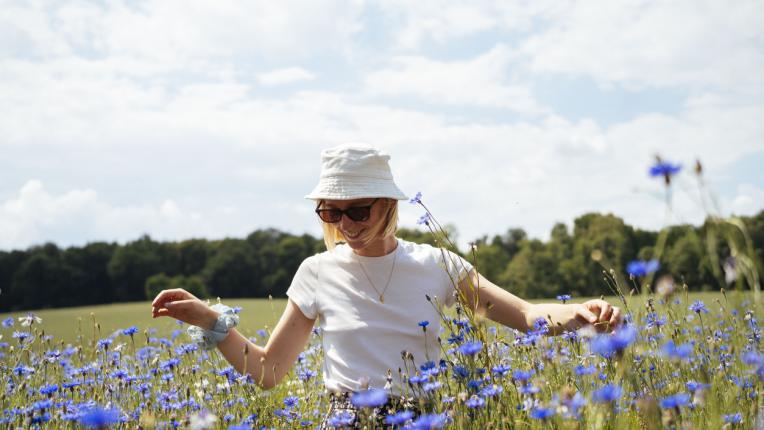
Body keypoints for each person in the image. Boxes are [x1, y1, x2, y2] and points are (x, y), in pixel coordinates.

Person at [151, 144, 622, 427]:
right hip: (347, 421)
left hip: (428, 416)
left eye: (359, 211)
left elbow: (522, 316)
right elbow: (270, 372)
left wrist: (578, 313)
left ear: (388, 205)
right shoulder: (316, 271)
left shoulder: (437, 262)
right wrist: (211, 322)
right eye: (332, 213)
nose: (346, 224)